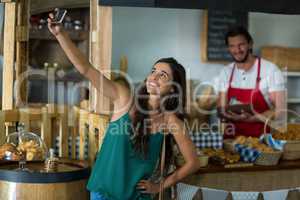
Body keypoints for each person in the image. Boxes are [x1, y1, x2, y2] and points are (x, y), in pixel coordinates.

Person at [47, 13, 200, 200]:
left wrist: (160, 185)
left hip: (138, 197)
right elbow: (86, 69)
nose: (154, 77)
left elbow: (193, 162)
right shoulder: (125, 99)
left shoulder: (171, 121)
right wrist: (60, 34)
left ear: (173, 89)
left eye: (163, 75)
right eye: (153, 71)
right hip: (104, 194)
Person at [217, 26, 286, 138]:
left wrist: (255, 118)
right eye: (232, 46)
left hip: (262, 142)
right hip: (231, 141)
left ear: (250, 44)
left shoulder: (270, 70)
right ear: (228, 48)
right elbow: (221, 109)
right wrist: (226, 115)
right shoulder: (226, 72)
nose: (237, 50)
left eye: (241, 45)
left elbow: (280, 111)